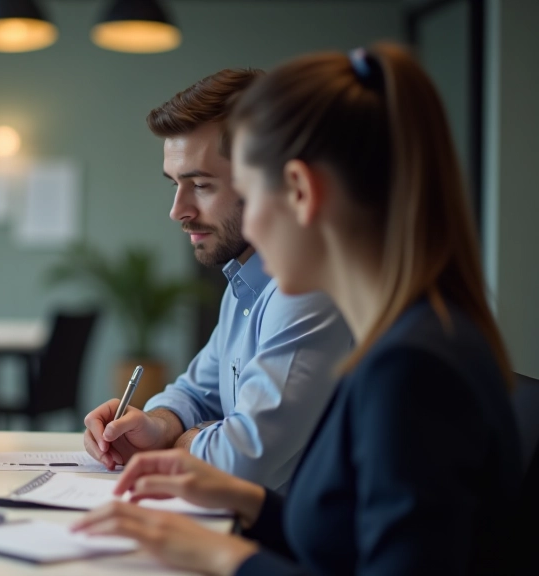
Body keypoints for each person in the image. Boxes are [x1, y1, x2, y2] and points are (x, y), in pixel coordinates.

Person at [72, 43, 523, 575]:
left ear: (302, 193)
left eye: (255, 196)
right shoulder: (407, 333)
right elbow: (349, 538)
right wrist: (246, 500)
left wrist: (224, 554)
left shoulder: (408, 369)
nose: (255, 232)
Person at [83, 70, 351, 491]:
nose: (178, 210)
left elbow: (242, 458)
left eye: (201, 185)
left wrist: (185, 443)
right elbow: (197, 391)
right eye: (174, 185)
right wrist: (155, 425)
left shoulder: (306, 290)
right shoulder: (245, 281)